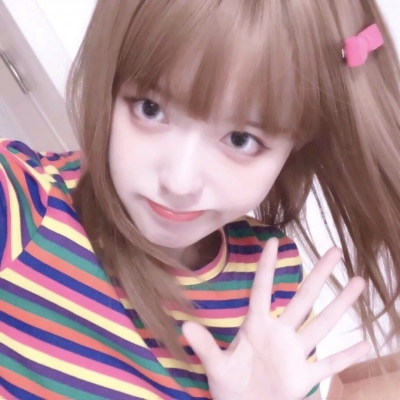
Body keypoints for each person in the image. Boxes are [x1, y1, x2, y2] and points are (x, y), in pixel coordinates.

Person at [0, 0, 399, 398]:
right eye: (151, 109)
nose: (180, 181)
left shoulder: (272, 287)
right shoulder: (23, 200)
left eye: (240, 139)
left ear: (294, 148)